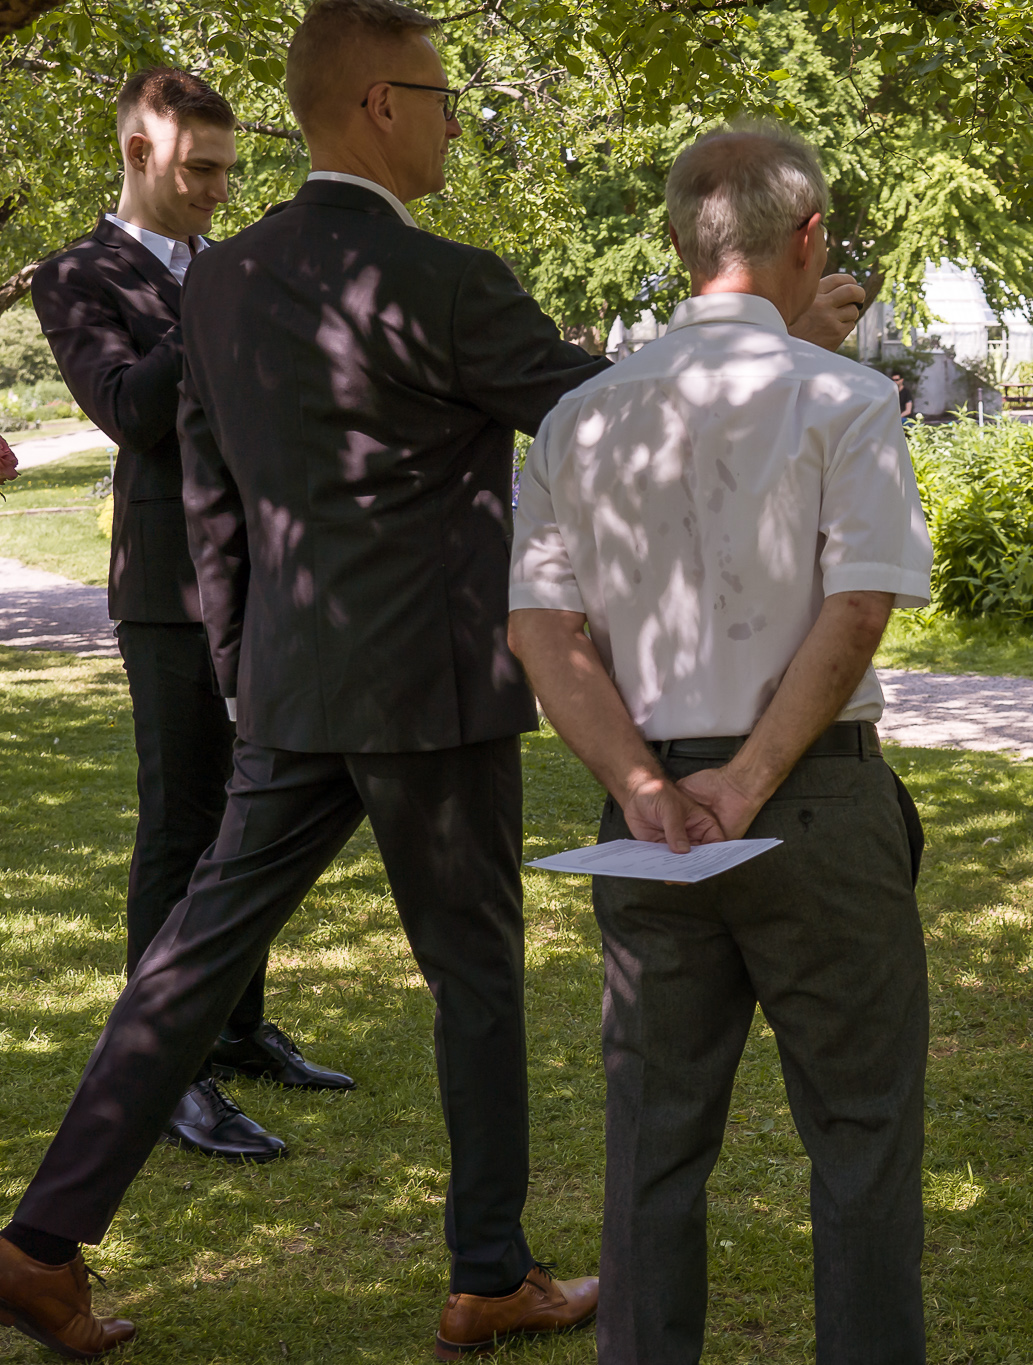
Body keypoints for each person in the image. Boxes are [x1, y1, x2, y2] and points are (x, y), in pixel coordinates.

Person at [0, 2, 623, 1356]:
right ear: (379, 106)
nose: (462, 117)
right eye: (446, 94)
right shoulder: (452, 281)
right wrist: (757, 335)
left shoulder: (222, 283)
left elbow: (211, 504)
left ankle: (40, 1244)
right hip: (435, 690)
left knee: (194, 957)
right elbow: (607, 416)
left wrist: (239, 672)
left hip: (288, 681)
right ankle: (490, 1271)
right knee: (476, 975)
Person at [508, 122, 933, 1364]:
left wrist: (644, 786)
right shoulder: (845, 398)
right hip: (808, 797)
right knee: (860, 1135)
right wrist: (743, 780)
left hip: (647, 818)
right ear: (807, 240)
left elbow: (544, 634)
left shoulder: (575, 416)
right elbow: (855, 608)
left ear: (681, 242)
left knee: (651, 1137)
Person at [32, 68, 355, 1174]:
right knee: (181, 822)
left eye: (228, 169)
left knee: (255, 816)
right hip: (171, 588)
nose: (221, 190)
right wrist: (222, 313)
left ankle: (235, 1021)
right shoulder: (76, 275)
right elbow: (127, 411)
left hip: (272, 575)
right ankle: (164, 1073)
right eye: (198, 170)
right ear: (136, 155)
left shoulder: (229, 268)